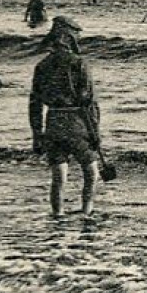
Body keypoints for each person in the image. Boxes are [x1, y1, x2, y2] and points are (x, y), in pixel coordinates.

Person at [29, 16, 102, 217]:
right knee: (91, 172)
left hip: (53, 122)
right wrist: (95, 133)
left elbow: (35, 103)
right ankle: (86, 212)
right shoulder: (79, 63)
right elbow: (89, 103)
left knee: (59, 175)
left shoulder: (42, 66)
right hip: (77, 123)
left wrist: (37, 134)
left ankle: (58, 215)